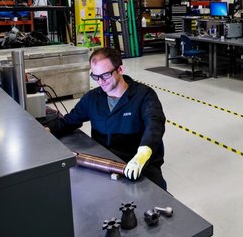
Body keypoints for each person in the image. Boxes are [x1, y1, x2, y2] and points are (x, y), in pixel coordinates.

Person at [47, 47, 167, 190]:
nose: (100, 82)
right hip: (103, 164)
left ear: (120, 69)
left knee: (156, 195)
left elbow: (155, 124)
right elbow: (68, 121)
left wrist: (143, 152)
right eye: (95, 76)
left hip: (138, 164)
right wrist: (46, 130)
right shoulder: (92, 98)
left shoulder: (144, 96)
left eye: (105, 75)